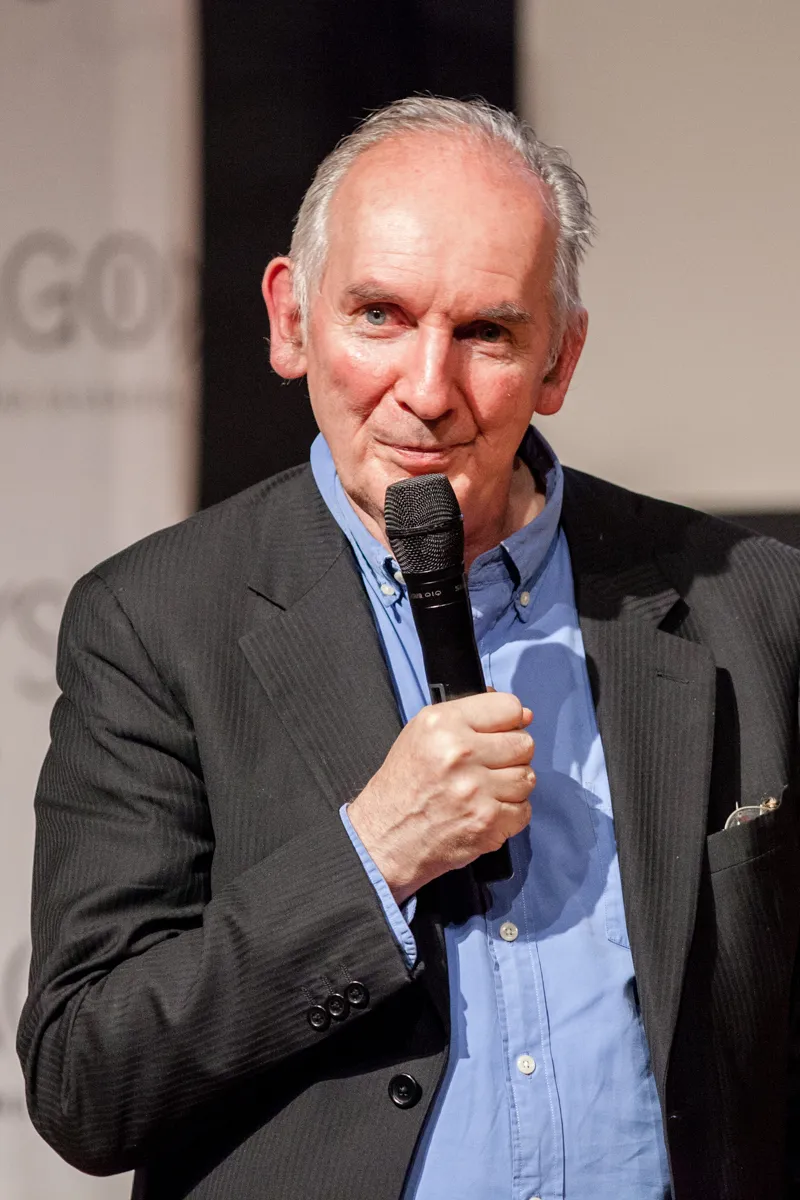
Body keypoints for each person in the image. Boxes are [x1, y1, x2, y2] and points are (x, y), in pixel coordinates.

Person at [17, 96, 800, 1200]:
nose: (427, 393)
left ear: (560, 359)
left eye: (486, 333)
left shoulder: (750, 603)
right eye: (379, 315)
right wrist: (371, 858)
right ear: (291, 321)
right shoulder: (155, 622)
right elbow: (86, 1080)